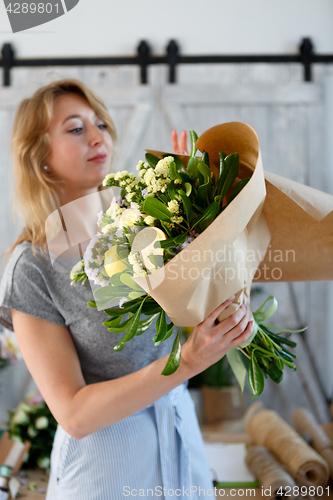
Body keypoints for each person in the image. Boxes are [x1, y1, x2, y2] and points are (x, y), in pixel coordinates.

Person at [0, 79, 254, 499]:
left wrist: (203, 203)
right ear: (39, 156)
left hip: (180, 443)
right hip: (105, 470)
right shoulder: (33, 268)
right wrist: (186, 362)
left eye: (100, 122)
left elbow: (201, 301)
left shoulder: (144, 227)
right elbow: (74, 414)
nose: (99, 136)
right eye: (76, 128)